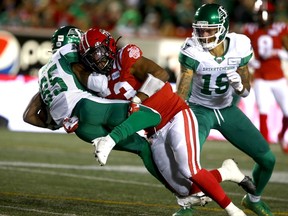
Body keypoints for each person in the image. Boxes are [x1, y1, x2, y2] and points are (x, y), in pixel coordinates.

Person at [77, 27, 256, 216]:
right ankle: (227, 172)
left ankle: (234, 211)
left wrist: (138, 99)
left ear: (109, 46)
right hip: (154, 131)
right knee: (185, 190)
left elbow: (160, 74)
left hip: (174, 113)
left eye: (97, 53)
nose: (97, 60)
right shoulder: (99, 83)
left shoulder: (125, 57)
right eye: (91, 57)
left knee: (190, 169)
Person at [177, 3, 276, 216]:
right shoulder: (192, 49)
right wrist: (175, 116)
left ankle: (253, 199)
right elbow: (181, 92)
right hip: (198, 109)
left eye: (209, 29)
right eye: (199, 29)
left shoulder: (240, 45)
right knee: (188, 162)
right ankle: (187, 207)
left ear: (223, 28)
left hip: (227, 109)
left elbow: (246, 90)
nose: (203, 34)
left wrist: (239, 85)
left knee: (268, 159)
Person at [242, 1, 288, 153]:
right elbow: (241, 51)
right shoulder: (250, 29)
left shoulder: (280, 28)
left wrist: (282, 54)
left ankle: (281, 135)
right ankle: (264, 147)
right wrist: (250, 60)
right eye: (260, 15)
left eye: (266, 14)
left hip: (278, 77)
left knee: (287, 112)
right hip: (261, 77)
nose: (263, 18)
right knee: (263, 111)